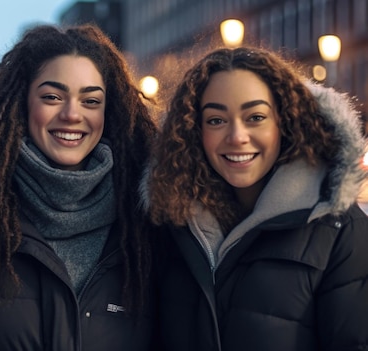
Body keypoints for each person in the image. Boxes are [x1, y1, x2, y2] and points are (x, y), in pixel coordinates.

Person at [0, 24, 159, 350]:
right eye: (52, 97)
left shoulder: (148, 219)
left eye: (90, 101)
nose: (71, 114)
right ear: (23, 103)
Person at [141, 46, 368, 350]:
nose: (236, 136)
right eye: (216, 120)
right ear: (195, 130)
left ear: (284, 121)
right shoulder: (169, 220)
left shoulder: (338, 228)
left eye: (256, 117)